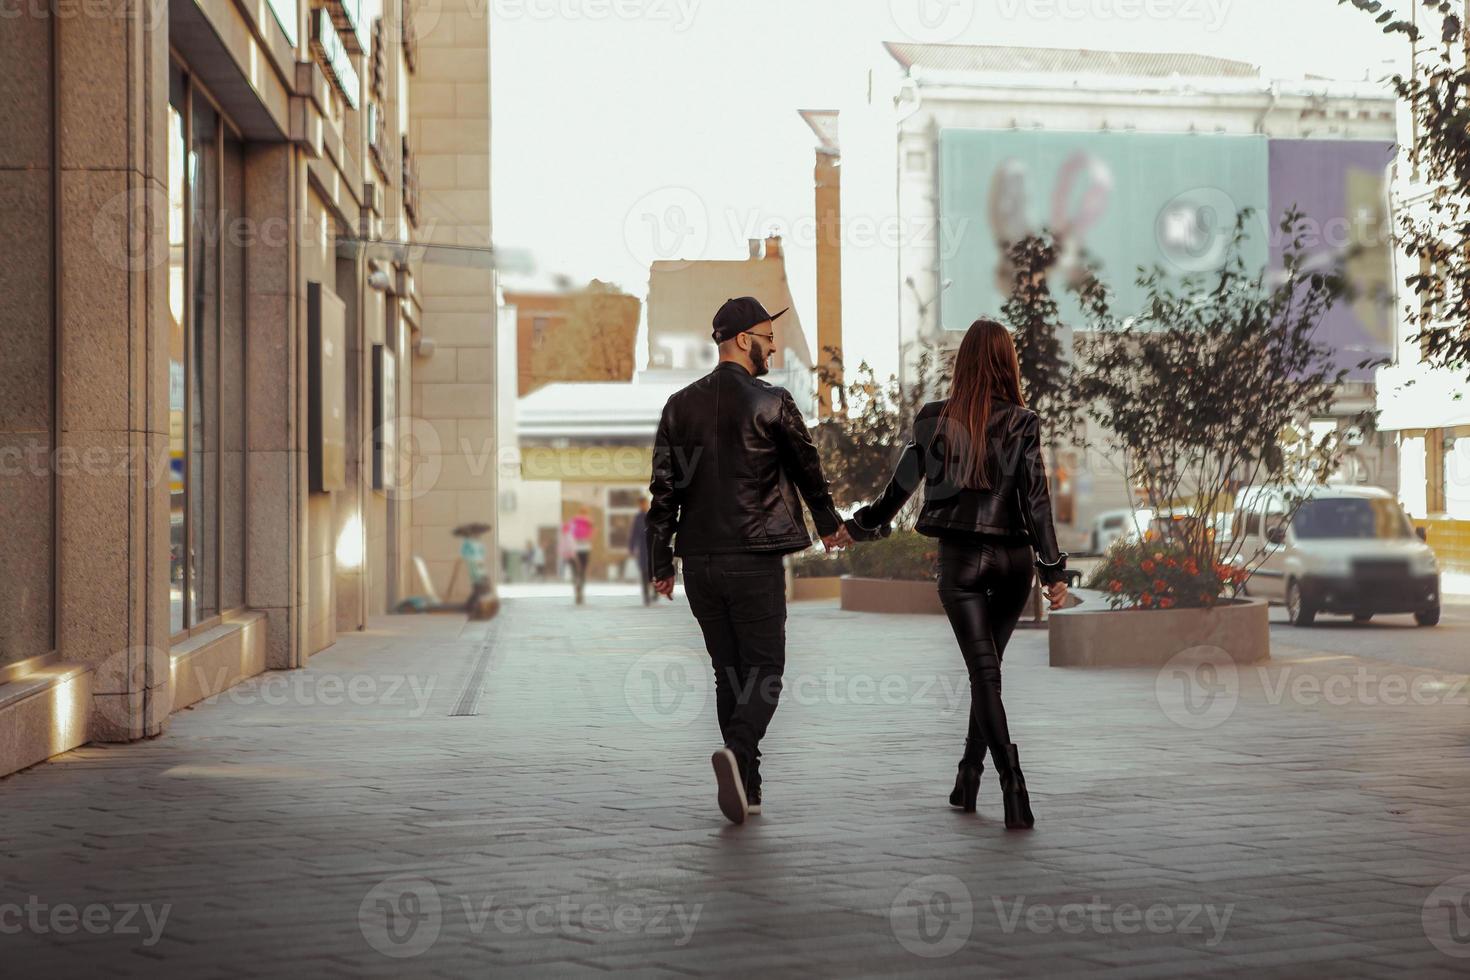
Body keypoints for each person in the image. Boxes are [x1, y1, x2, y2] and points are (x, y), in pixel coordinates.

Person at [840, 318, 1068, 830]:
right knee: (986, 674)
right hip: (1012, 564)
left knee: (983, 674)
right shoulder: (1023, 421)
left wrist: (858, 527)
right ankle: (969, 777)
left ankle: (1012, 780)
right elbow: (1036, 501)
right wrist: (1053, 570)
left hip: (961, 560)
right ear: (1007, 363)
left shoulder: (932, 419)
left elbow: (897, 492)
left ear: (961, 362)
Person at [647, 296, 845, 825]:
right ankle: (737, 754)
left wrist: (660, 563)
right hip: (753, 559)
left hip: (702, 565)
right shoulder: (771, 401)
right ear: (741, 340)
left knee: (728, 673)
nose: (774, 345)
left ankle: (748, 788)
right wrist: (829, 526)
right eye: (766, 336)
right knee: (766, 671)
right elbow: (808, 467)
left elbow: (663, 493)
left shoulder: (678, 406)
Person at [627, 497, 654, 606]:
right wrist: (631, 547)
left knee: (652, 571)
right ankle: (646, 596)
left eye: (644, 504)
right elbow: (633, 533)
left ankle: (655, 591)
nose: (643, 506)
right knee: (643, 571)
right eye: (641, 504)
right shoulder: (638, 518)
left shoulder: (652, 516)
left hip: (652, 547)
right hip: (643, 548)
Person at [568, 508, 594, 604]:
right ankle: (580, 589)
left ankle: (577, 586)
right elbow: (592, 534)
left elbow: (570, 533)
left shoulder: (574, 521)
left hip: (576, 548)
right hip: (585, 548)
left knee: (576, 570)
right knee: (583, 570)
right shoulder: (589, 522)